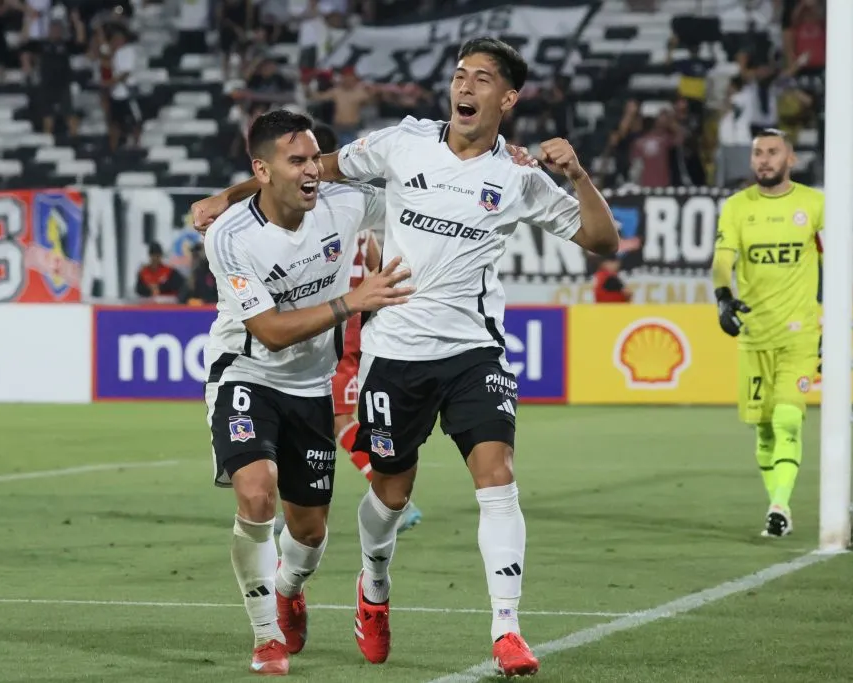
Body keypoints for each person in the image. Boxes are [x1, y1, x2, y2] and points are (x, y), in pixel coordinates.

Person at [194, 37, 619, 676]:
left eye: (482, 79)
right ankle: (373, 584)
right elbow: (311, 168)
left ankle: (507, 628)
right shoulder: (401, 144)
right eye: (459, 75)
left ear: (507, 98)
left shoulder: (519, 176)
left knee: (498, 473)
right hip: (394, 353)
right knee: (389, 494)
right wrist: (227, 198)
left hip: (475, 348)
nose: (465, 87)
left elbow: (603, 241)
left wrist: (578, 175)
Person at [202, 109, 413, 676]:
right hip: (245, 373)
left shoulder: (343, 204)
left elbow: (418, 191)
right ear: (263, 170)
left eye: (315, 159)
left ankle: (290, 585)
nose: (313, 171)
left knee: (310, 531)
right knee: (255, 494)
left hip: (310, 386)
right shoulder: (230, 237)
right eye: (296, 162)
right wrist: (354, 300)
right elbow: (268, 332)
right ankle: (267, 635)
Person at [267, 123, 424, 536]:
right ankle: (302, 501)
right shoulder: (356, 223)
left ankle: (382, 489)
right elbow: (377, 264)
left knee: (336, 418)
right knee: (317, 415)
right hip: (347, 326)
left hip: (336, 328)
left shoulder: (326, 219)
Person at [711, 128, 824, 538]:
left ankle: (779, 506)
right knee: (762, 427)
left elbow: (840, 264)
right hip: (755, 334)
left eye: (773, 152)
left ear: (790, 158)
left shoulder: (814, 205)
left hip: (799, 333)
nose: (764, 159)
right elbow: (724, 258)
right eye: (758, 152)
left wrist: (838, 324)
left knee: (788, 419)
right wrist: (723, 295)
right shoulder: (737, 207)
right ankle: (778, 505)